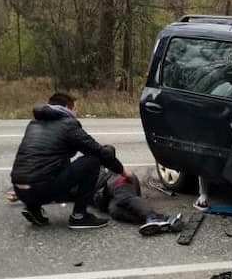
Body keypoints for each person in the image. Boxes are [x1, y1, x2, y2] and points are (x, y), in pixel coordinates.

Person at [10, 93, 127, 229]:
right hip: (43, 189)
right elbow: (98, 151)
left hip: (20, 189)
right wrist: (123, 171)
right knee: (93, 161)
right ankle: (79, 216)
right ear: (67, 108)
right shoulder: (68, 124)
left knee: (45, 168)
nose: (76, 112)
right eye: (75, 108)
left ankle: (33, 208)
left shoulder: (34, 124)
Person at [93, 168, 182, 236]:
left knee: (123, 197)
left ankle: (154, 217)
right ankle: (161, 224)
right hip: (108, 195)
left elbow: (109, 150)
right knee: (114, 210)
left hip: (118, 180)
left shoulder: (95, 165)